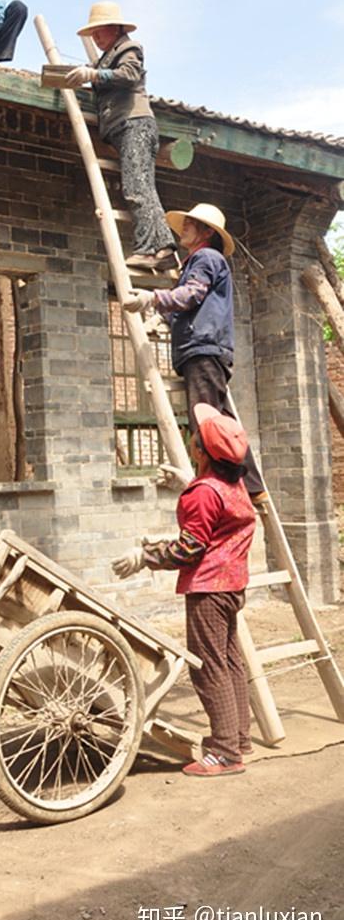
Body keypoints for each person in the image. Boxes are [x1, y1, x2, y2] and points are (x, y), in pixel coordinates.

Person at [113, 404, 256, 776]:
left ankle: (225, 752)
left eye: (197, 437)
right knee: (230, 660)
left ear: (200, 452)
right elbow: (217, 521)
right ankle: (239, 737)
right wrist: (187, 481)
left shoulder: (203, 494)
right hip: (233, 586)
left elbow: (188, 549)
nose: (193, 437)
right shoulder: (234, 485)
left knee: (208, 666)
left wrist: (145, 557)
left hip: (209, 589)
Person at [122, 202, 267, 502]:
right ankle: (253, 487)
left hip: (203, 350)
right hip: (203, 348)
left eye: (190, 224)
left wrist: (152, 298)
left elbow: (192, 295)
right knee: (220, 420)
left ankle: (220, 486)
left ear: (206, 232)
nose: (183, 228)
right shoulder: (197, 262)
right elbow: (191, 305)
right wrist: (162, 319)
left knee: (207, 424)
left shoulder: (205, 257)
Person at [65, 1, 176, 271]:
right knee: (143, 187)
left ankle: (149, 250)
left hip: (134, 124)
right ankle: (164, 249)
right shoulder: (106, 57)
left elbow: (128, 74)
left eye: (99, 32)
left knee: (137, 188)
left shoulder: (129, 48)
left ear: (113, 28)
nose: (96, 38)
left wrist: (94, 73)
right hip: (123, 127)